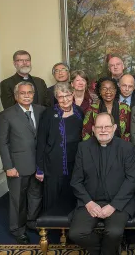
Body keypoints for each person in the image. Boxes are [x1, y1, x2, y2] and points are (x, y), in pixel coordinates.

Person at [69, 112, 135, 255]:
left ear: (114, 128)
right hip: (90, 201)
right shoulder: (83, 148)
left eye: (107, 126)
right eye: (99, 127)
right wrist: (88, 202)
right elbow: (76, 181)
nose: (103, 130)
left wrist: (113, 206)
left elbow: (132, 180)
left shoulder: (127, 148)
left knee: (113, 233)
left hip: (118, 202)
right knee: (76, 233)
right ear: (93, 129)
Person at [0, 81, 45, 243]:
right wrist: (8, 166)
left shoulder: (41, 110)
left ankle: (32, 221)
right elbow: (2, 143)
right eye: (22, 93)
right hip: (17, 166)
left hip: (37, 165)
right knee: (17, 199)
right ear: (17, 96)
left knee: (35, 196)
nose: (26, 95)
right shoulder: (6, 115)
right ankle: (18, 230)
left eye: (29, 92)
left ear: (33, 94)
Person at [36, 82, 84, 212]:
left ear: (73, 94)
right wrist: (39, 168)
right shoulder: (48, 114)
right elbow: (41, 141)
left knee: (72, 194)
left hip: (75, 162)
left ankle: (71, 227)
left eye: (67, 95)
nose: (65, 99)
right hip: (54, 164)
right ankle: (53, 227)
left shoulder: (79, 111)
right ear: (56, 97)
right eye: (61, 96)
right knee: (54, 197)